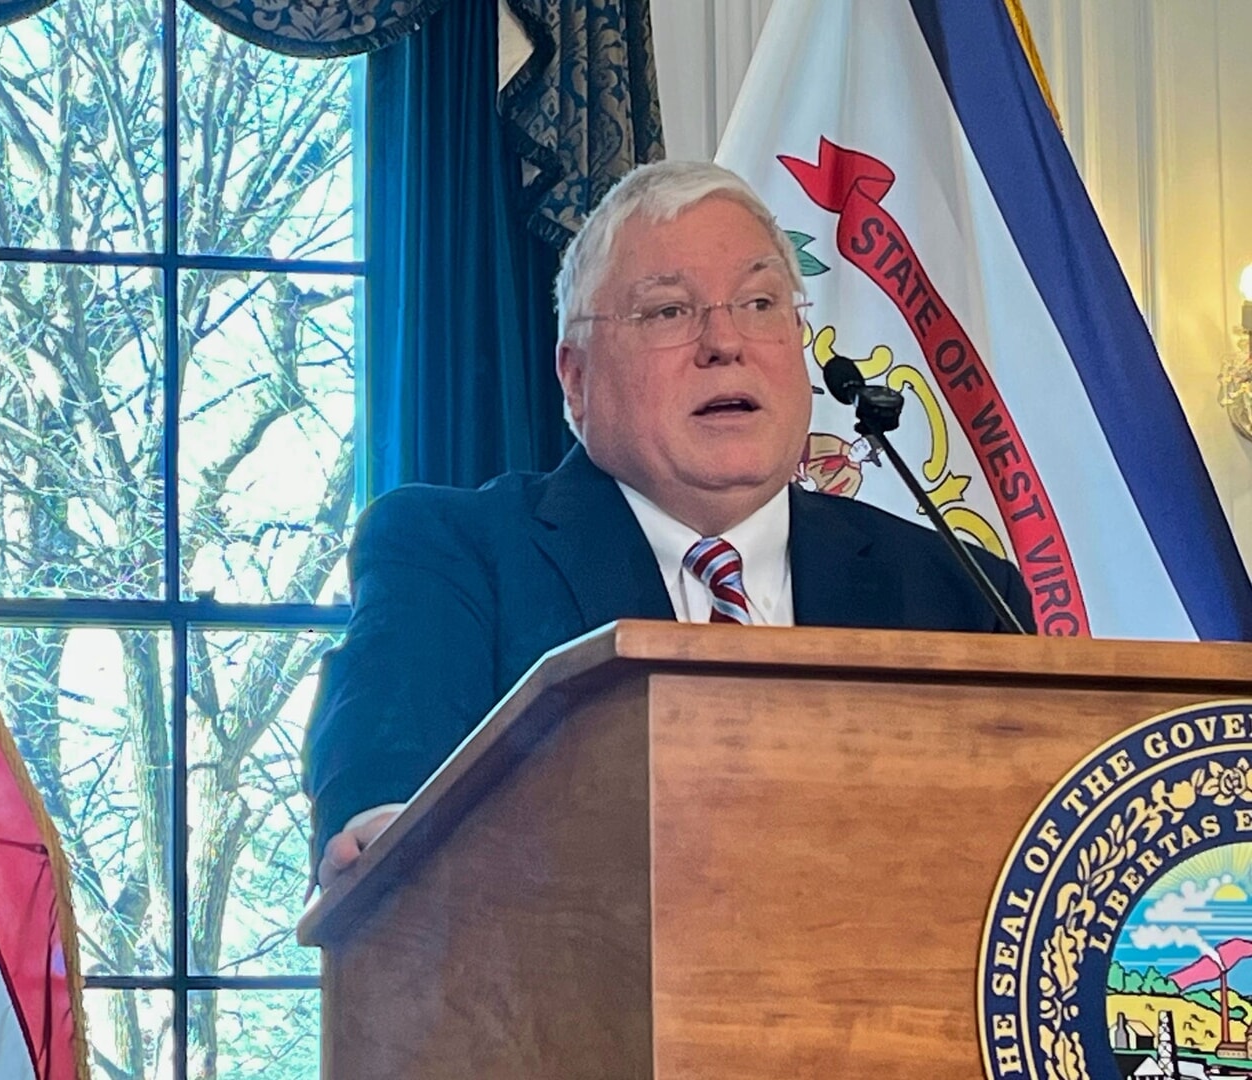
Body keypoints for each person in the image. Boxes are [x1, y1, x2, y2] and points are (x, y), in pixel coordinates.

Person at [303, 160, 1032, 888]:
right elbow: (389, 763)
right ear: (576, 378)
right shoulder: (457, 555)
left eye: (759, 303)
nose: (725, 342)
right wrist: (382, 831)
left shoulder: (960, 595)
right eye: (667, 312)